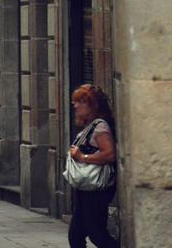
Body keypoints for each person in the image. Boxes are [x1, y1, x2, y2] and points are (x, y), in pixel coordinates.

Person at [68, 84, 119, 248]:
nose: (75, 105)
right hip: (87, 189)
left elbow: (110, 154)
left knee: (97, 234)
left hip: (96, 190)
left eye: (80, 102)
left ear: (92, 105)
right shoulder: (91, 126)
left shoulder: (100, 127)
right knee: (76, 235)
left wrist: (83, 157)